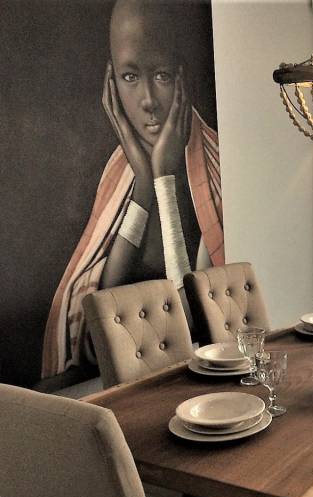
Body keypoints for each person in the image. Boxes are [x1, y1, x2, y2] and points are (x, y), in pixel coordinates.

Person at [41, 0, 223, 381]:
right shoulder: (120, 171)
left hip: (193, 366)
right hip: (131, 365)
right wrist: (144, 179)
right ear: (112, 85)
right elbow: (100, 313)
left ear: (182, 78)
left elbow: (189, 323)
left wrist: (164, 182)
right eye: (129, 77)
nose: (148, 101)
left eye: (161, 76)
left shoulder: (215, 169)